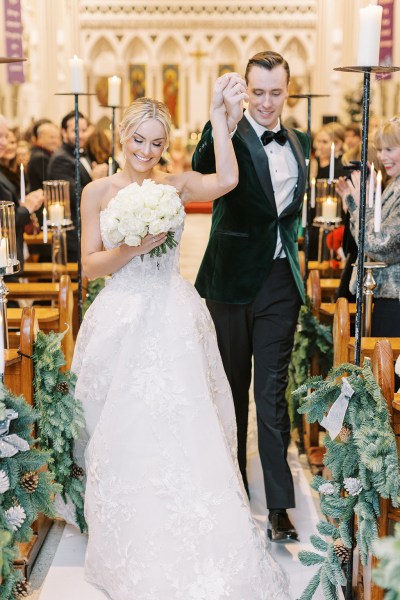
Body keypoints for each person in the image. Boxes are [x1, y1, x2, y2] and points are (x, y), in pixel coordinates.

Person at [68, 75, 291, 598]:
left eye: (156, 142)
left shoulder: (176, 183)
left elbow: (228, 182)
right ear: (121, 135)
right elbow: (89, 267)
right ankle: (126, 525)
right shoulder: (97, 191)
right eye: (138, 140)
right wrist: (135, 247)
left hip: (169, 312)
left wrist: (220, 117)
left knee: (181, 420)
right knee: (120, 425)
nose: (146, 151)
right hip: (120, 313)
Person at [192, 51, 310, 542]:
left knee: (272, 394)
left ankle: (280, 505)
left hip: (281, 282)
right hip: (231, 283)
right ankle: (235, 494)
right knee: (233, 391)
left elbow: (288, 214)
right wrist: (219, 116)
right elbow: (201, 171)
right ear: (245, 88)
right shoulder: (229, 131)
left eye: (275, 92)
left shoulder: (302, 142)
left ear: (288, 91)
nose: (266, 102)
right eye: (257, 91)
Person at [337, 116, 400, 339]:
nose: (382, 157)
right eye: (380, 150)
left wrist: (361, 206)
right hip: (385, 296)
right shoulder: (394, 184)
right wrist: (357, 205)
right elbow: (363, 241)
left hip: (395, 299)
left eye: (390, 149)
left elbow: (379, 246)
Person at [47, 111, 108, 261]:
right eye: (75, 131)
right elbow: (77, 197)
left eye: (83, 130)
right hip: (74, 234)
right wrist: (96, 180)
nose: (81, 135)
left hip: (87, 230)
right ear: (63, 132)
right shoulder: (61, 159)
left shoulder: (83, 153)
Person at [0, 116, 43, 270]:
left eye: (7, 137)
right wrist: (27, 208)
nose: (5, 143)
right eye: (1, 136)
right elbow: (4, 218)